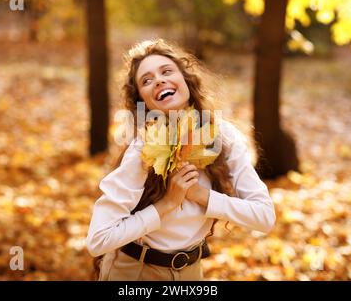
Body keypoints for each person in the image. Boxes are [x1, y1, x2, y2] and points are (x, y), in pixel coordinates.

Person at [86, 38, 276, 281]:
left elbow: (265, 217)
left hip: (191, 273)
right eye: (147, 80)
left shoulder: (223, 137)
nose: (159, 80)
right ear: (143, 101)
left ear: (186, 80)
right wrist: (167, 204)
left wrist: (201, 196)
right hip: (135, 272)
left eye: (166, 71)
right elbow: (98, 240)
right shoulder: (142, 149)